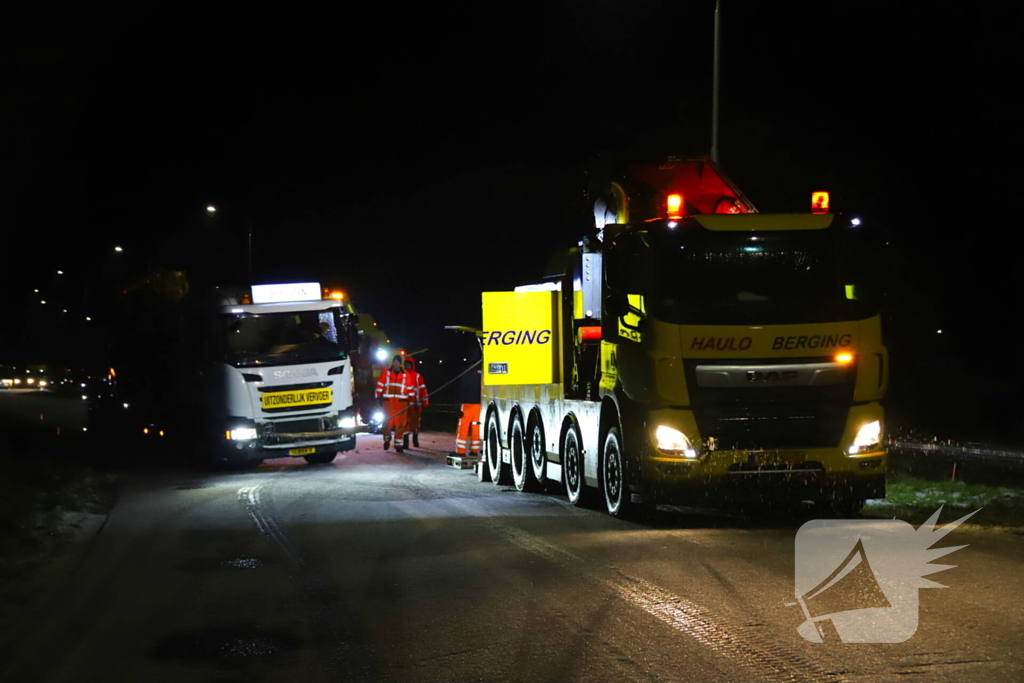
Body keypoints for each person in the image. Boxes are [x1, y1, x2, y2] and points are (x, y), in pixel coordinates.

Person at [375, 354, 407, 452]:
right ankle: (387, 440)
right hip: (388, 403)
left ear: (400, 363)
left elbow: (410, 388)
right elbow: (380, 384)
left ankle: (398, 445)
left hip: (401, 403)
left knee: (400, 425)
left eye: (397, 362)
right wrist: (377, 397)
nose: (395, 364)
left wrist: (412, 400)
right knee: (387, 424)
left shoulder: (406, 374)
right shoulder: (386, 372)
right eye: (394, 362)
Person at [402, 357, 429, 448]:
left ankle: (415, 440)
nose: (407, 366)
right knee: (405, 424)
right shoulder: (402, 375)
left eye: (409, 364)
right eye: (406, 364)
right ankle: (405, 443)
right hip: (405, 404)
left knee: (415, 423)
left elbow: (423, 390)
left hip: (416, 404)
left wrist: (425, 402)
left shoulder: (417, 376)